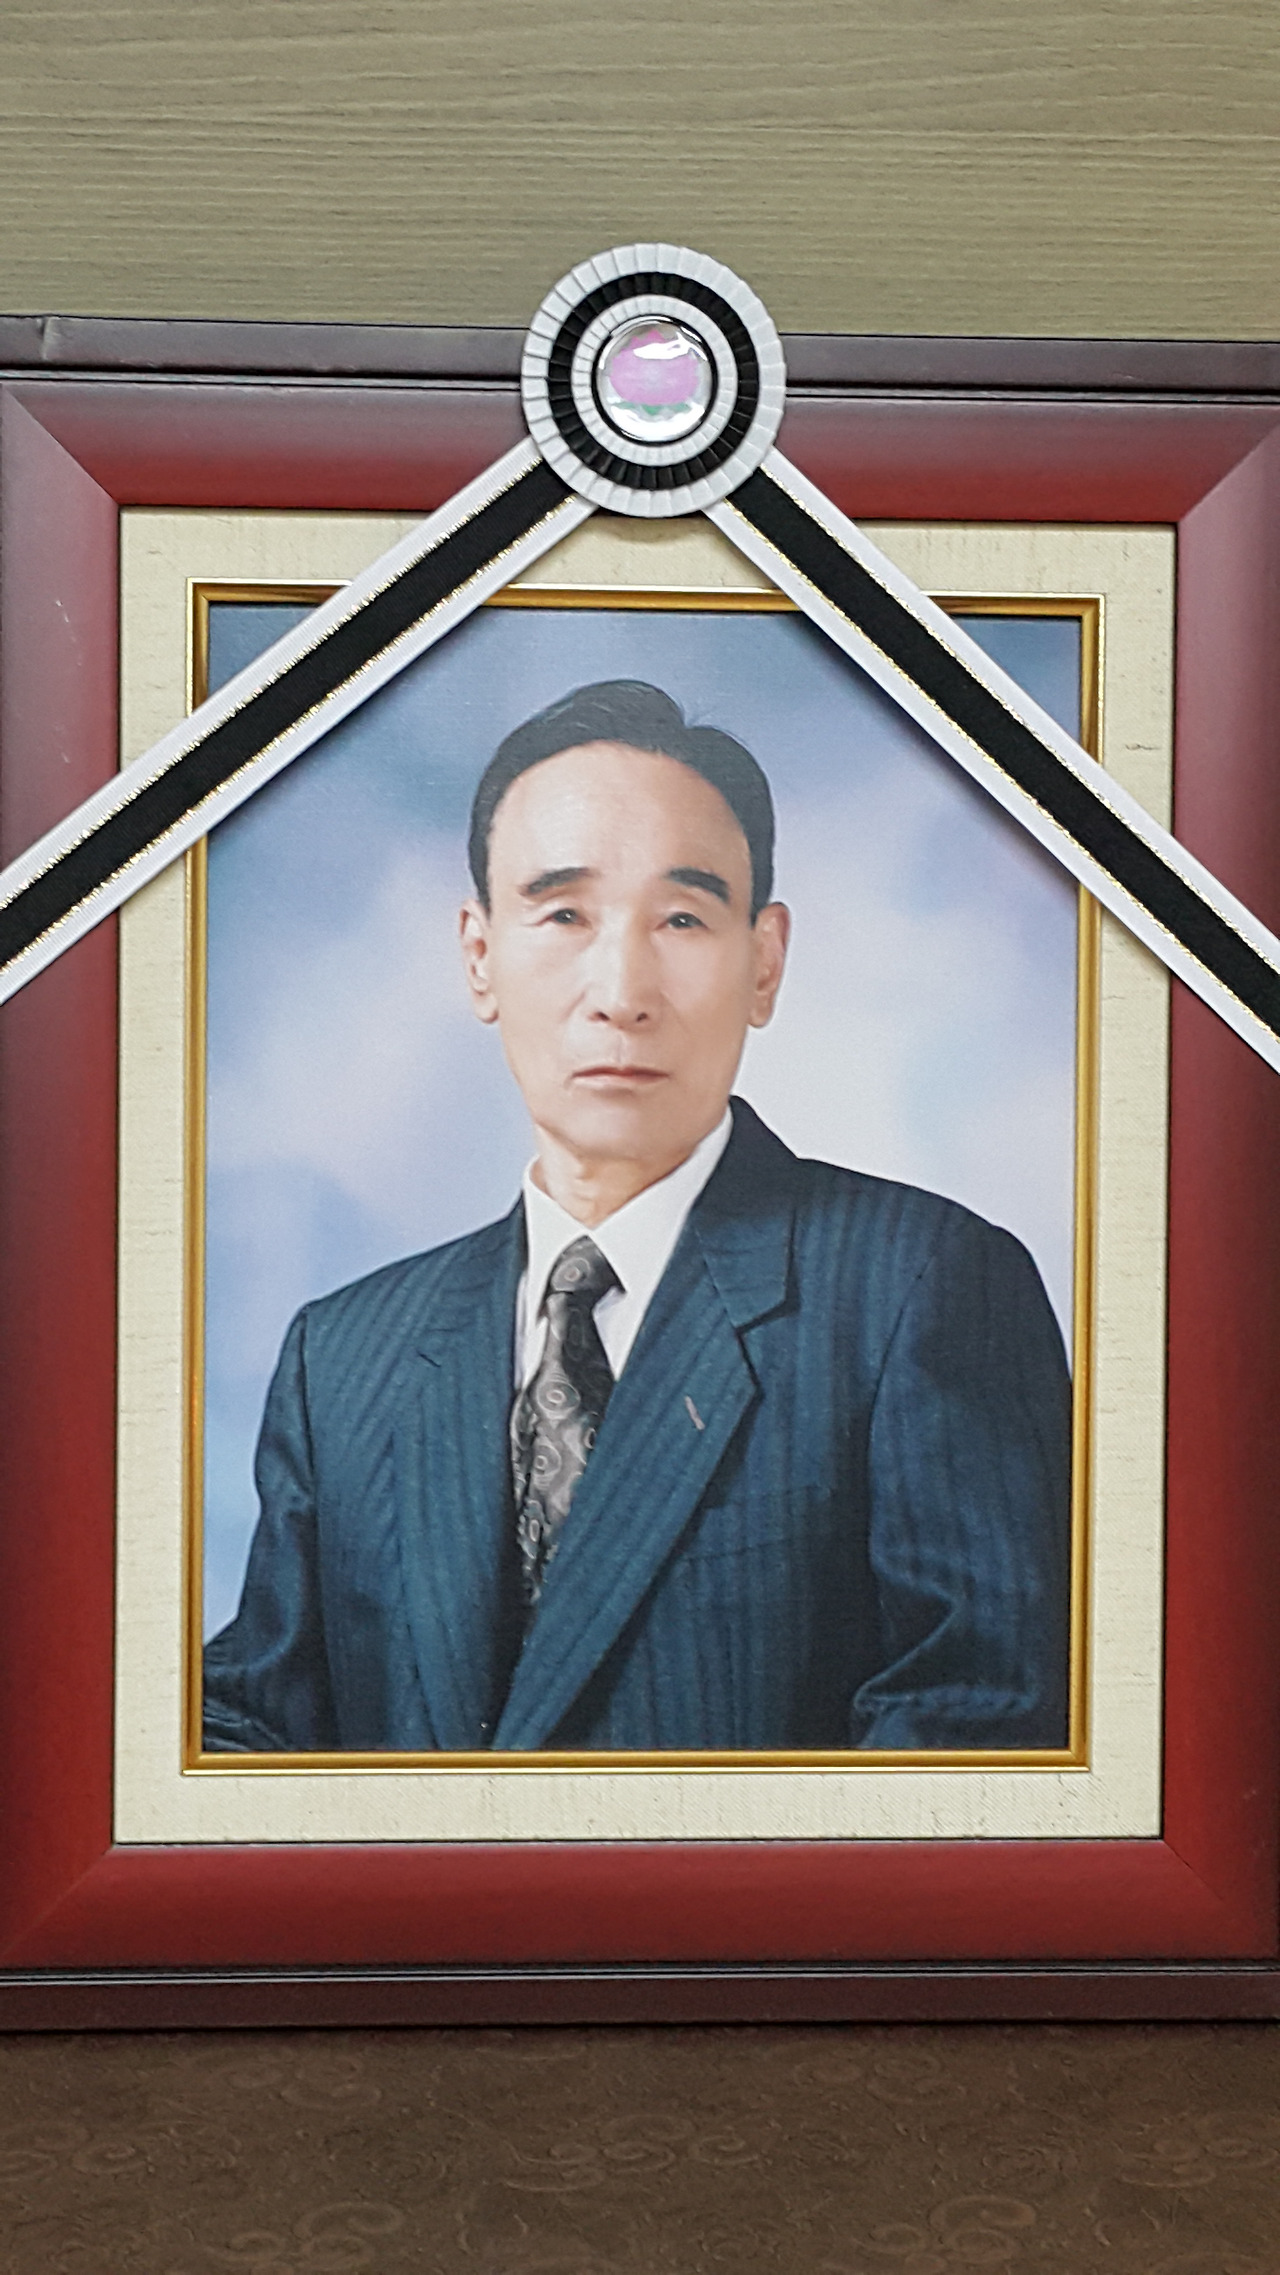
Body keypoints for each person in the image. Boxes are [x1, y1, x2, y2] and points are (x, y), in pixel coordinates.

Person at [203, 679, 1071, 1756]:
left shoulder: (922, 1288)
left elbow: (978, 1731)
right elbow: (250, 1734)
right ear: (478, 955)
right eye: (563, 913)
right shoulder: (341, 1356)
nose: (621, 989)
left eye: (682, 918)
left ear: (764, 963)